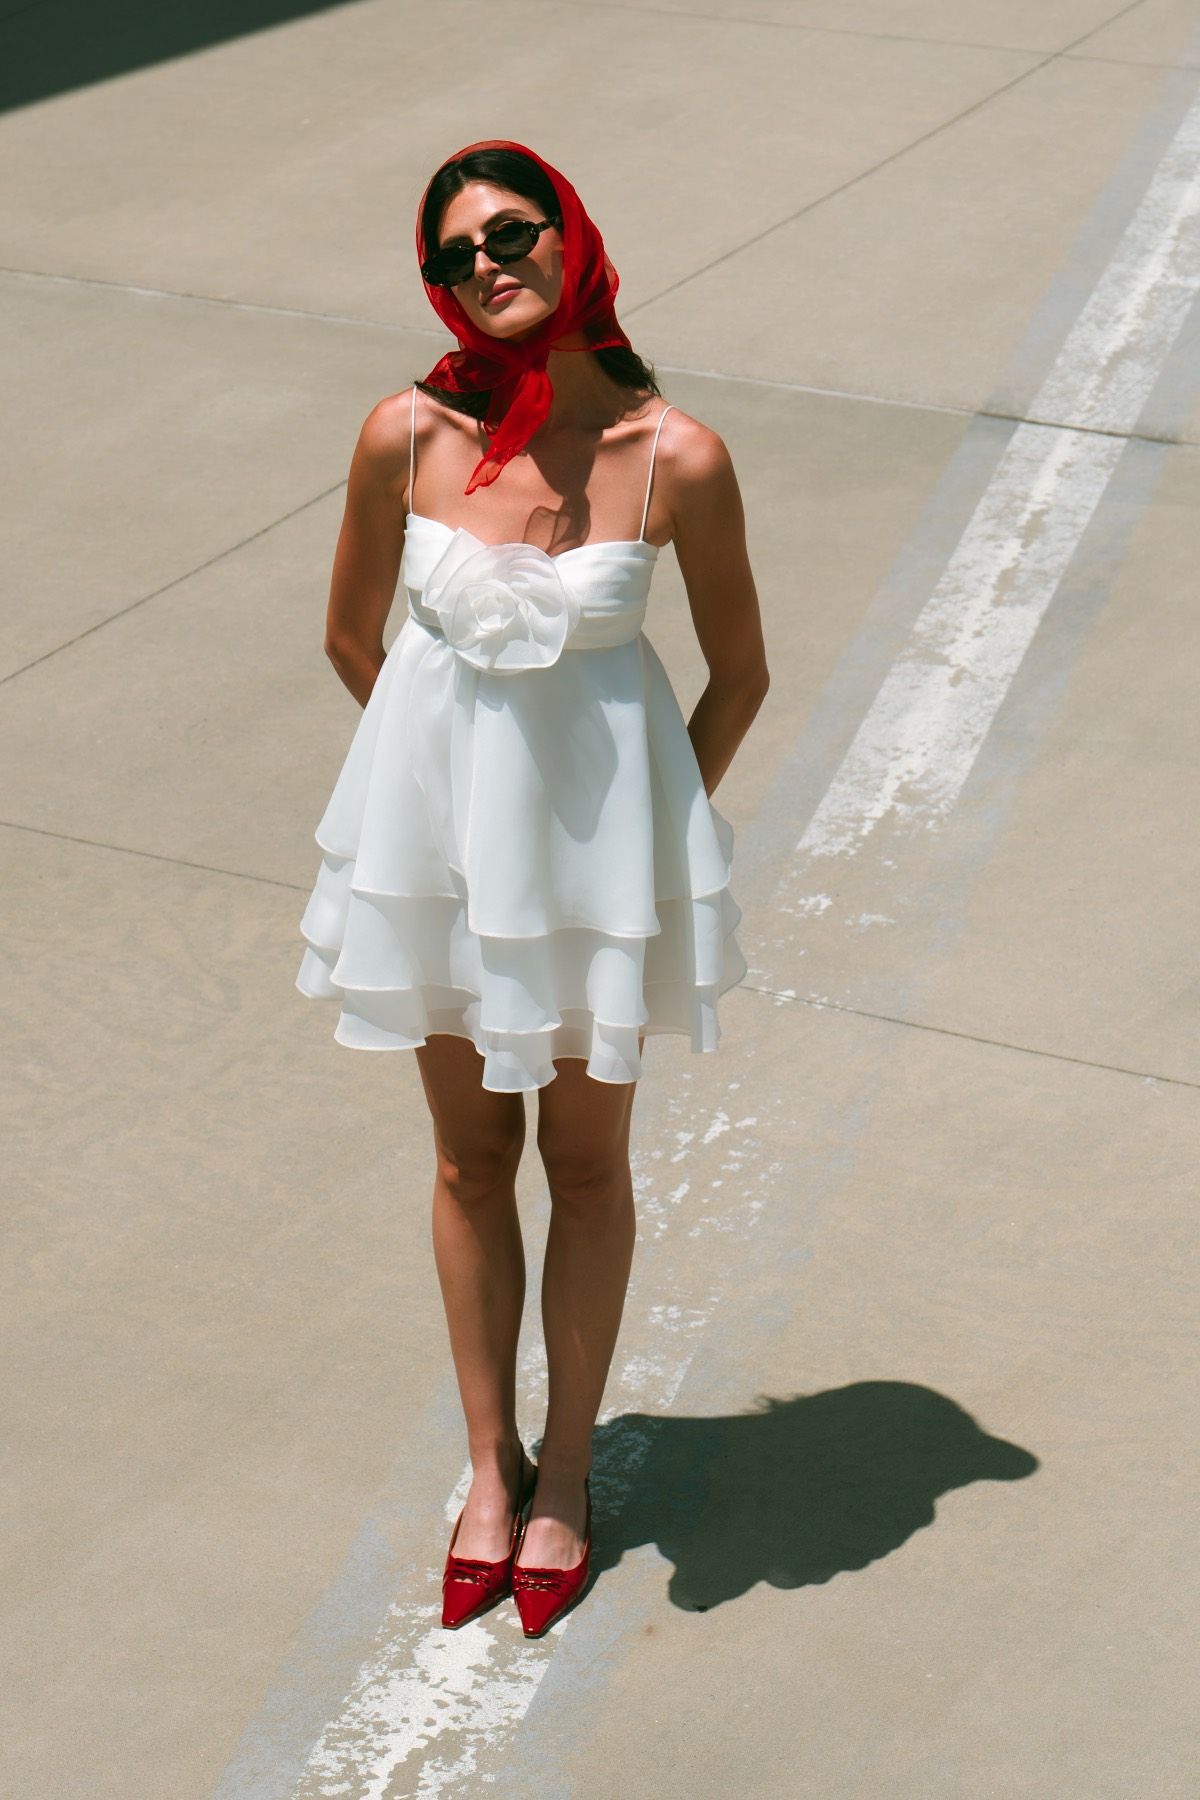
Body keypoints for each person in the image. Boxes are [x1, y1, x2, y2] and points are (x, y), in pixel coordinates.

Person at [295, 139, 769, 1636]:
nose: (485, 266)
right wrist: (431, 805)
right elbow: (352, 639)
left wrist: (647, 845)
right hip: (442, 873)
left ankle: (566, 1475)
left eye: (511, 234)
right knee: (467, 1162)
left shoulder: (675, 455)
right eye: (455, 255)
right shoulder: (404, 433)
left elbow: (741, 674)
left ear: (573, 235)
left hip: (595, 886)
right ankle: (488, 1472)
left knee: (585, 1166)